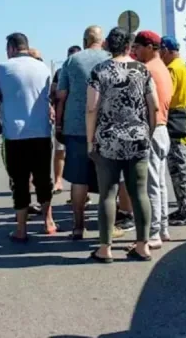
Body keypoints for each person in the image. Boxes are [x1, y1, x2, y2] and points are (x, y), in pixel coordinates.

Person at [86, 27, 157, 263]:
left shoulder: (99, 71)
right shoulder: (142, 70)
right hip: (138, 137)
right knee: (139, 192)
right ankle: (142, 246)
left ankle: (105, 248)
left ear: (107, 44)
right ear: (129, 45)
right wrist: (149, 131)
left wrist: (90, 140)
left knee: (107, 194)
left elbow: (91, 108)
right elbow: (153, 106)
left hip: (107, 140)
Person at [0, 33, 57, 241]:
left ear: (12, 48)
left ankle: (21, 229)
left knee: (20, 181)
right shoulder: (43, 67)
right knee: (43, 179)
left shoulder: (3, 68)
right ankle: (48, 221)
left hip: (15, 134)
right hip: (41, 131)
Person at [56, 26, 111, 240]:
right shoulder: (111, 58)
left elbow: (61, 95)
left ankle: (79, 226)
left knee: (79, 180)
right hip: (106, 127)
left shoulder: (73, 61)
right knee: (108, 178)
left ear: (84, 40)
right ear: (102, 40)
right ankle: (107, 226)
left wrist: (59, 125)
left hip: (76, 127)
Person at [132, 31, 173, 249]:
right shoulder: (163, 68)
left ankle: (154, 232)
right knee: (160, 182)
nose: (135, 52)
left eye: (137, 47)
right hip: (162, 128)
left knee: (151, 184)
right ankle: (163, 228)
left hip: (152, 128)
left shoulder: (147, 70)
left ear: (149, 46)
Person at [159, 36, 186, 226]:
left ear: (166, 50)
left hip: (173, 118)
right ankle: (185, 208)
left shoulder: (171, 69)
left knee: (178, 167)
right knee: (179, 165)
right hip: (184, 116)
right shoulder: (183, 66)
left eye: (161, 51)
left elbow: (167, 95)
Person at [51, 45, 82, 193]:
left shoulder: (85, 72)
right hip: (62, 117)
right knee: (60, 151)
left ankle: (80, 191)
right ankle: (58, 180)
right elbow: (56, 95)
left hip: (78, 120)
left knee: (79, 157)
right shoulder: (60, 72)